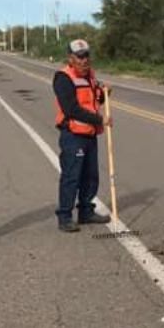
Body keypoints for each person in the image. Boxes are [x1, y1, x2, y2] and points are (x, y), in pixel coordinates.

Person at [53, 39, 112, 232]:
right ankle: (65, 217)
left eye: (86, 55)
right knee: (72, 176)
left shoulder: (90, 76)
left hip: (89, 134)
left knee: (90, 176)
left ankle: (86, 211)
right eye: (80, 56)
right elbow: (71, 109)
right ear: (70, 58)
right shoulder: (63, 78)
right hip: (73, 135)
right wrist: (98, 119)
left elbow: (94, 99)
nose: (84, 60)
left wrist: (104, 94)